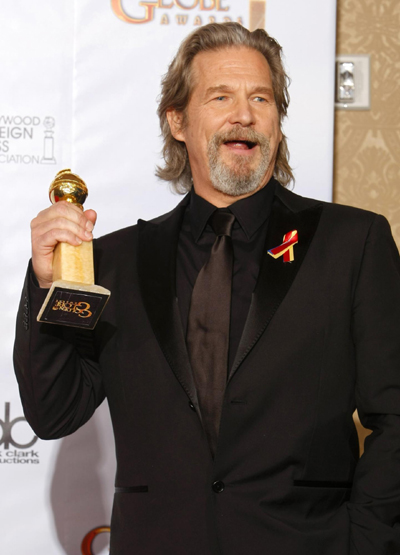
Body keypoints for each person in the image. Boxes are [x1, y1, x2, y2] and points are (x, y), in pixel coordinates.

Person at [14, 22, 400, 555]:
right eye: (221, 96)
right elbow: (54, 411)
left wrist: (368, 543)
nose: (244, 113)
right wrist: (46, 285)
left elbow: (396, 415)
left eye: (260, 97)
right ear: (177, 120)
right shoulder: (115, 261)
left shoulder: (353, 243)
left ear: (278, 121)